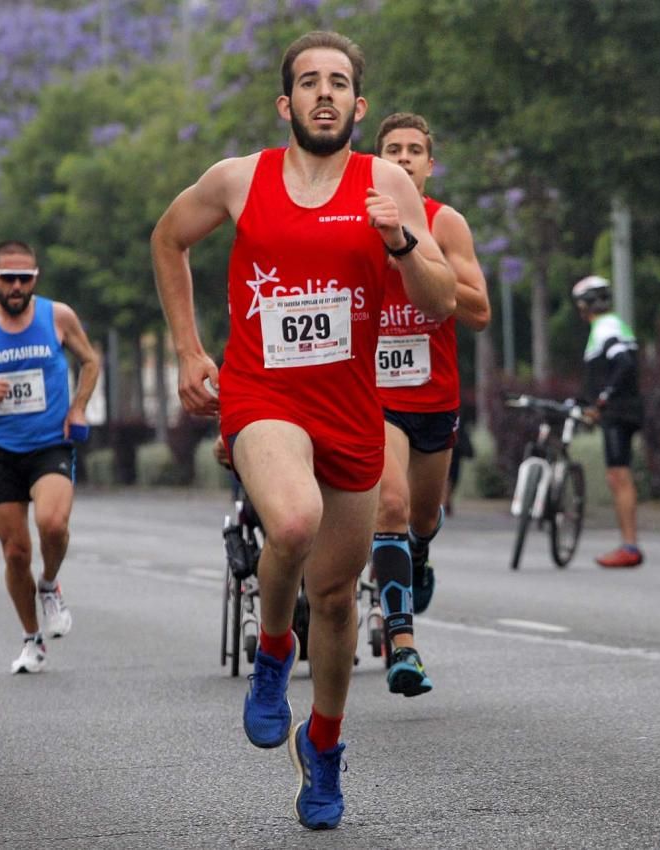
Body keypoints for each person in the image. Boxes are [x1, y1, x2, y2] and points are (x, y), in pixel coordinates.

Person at [151, 32, 455, 830]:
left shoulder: (386, 181)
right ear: (287, 104)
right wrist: (188, 349)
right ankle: (272, 651)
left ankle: (323, 743)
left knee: (337, 601)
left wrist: (400, 239)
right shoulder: (240, 180)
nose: (326, 94)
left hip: (352, 407)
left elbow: (439, 301)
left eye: (341, 83)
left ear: (358, 104)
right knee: (291, 521)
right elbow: (168, 237)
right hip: (262, 396)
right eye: (310, 83)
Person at [365, 112, 492, 694]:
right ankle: (403, 644)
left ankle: (419, 551)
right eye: (393, 148)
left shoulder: (447, 223)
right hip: (373, 395)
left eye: (415, 150)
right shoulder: (354, 222)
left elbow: (480, 313)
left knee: (421, 515)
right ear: (376, 160)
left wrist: (415, 260)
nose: (404, 158)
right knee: (389, 507)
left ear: (429, 164)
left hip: (435, 397)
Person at [0, 239, 101, 675]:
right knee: (16, 551)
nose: (17, 287)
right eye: (8, 279)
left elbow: (90, 361)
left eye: (25, 279)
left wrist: (77, 407)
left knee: (53, 524)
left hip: (49, 443)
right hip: (1, 450)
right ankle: (31, 639)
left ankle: (50, 583)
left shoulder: (58, 316)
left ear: (35, 278)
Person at [572, 275, 644, 568]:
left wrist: (602, 399)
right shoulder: (609, 325)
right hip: (620, 410)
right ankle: (628, 543)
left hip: (619, 412)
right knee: (617, 476)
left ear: (583, 306)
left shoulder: (607, 327)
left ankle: (630, 545)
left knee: (619, 476)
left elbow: (624, 362)